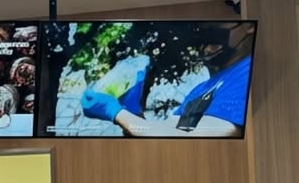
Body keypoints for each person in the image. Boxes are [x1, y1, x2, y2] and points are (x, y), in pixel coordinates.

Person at [79, 23, 254, 138]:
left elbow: (210, 132)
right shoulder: (202, 88)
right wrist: (133, 113)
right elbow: (169, 136)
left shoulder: (250, 69)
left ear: (249, 27)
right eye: (202, 28)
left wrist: (115, 112)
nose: (207, 33)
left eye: (214, 26)